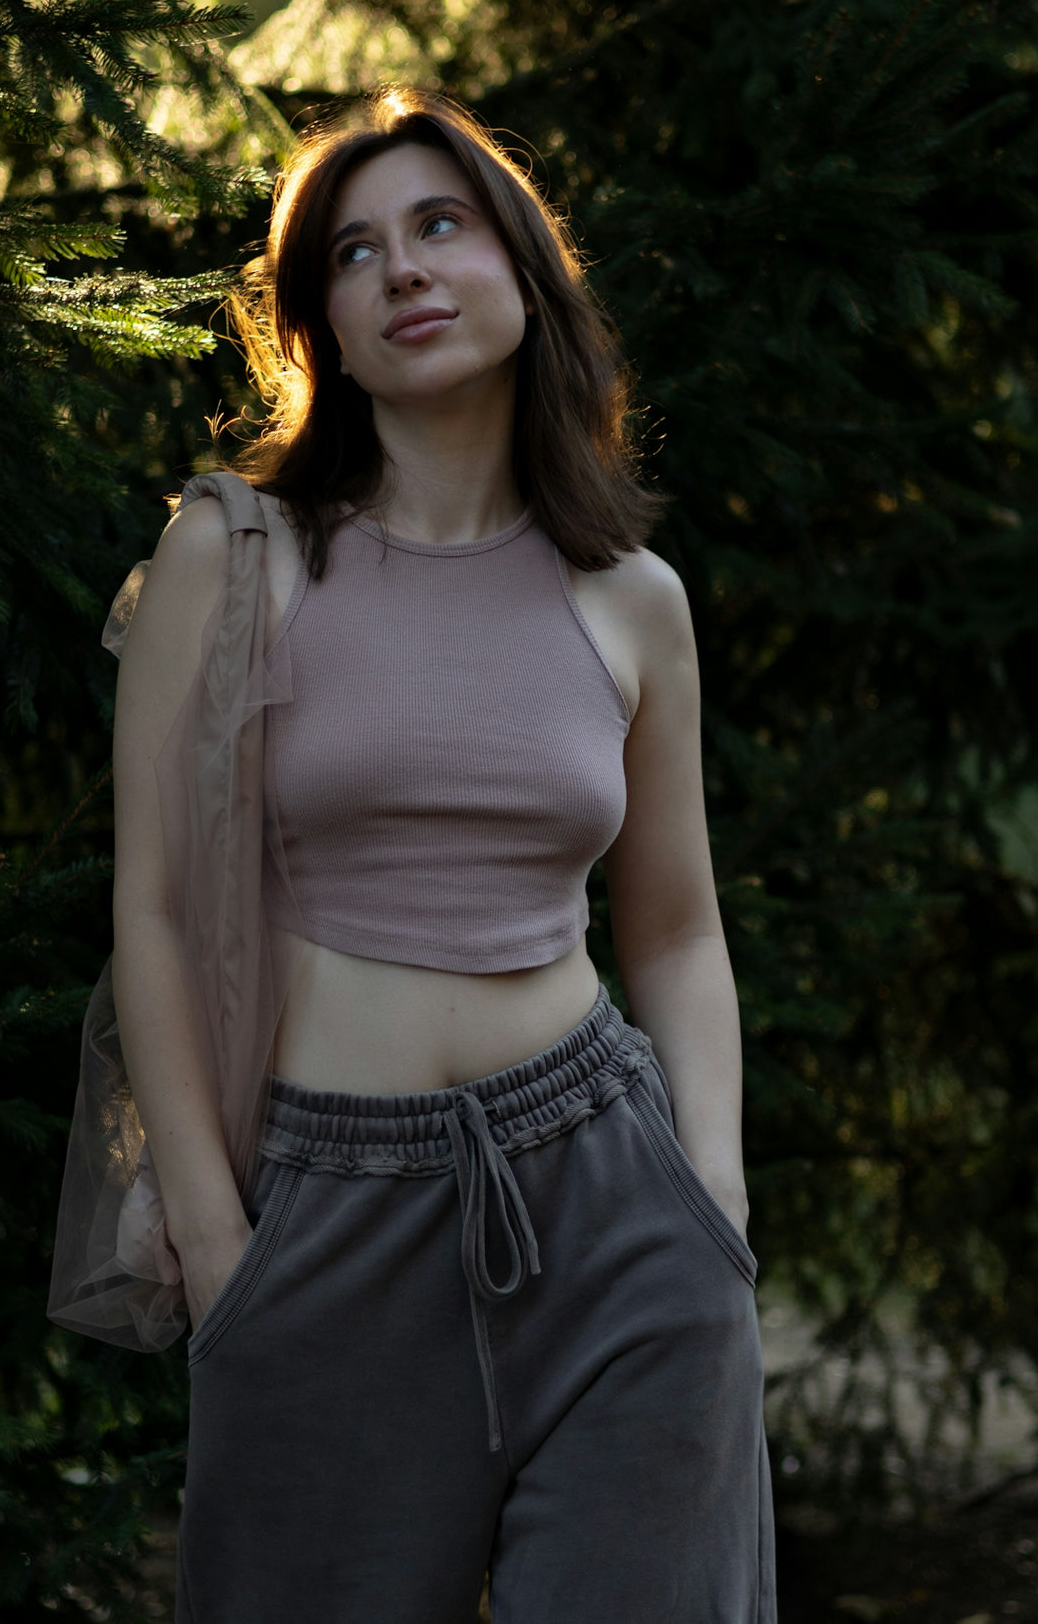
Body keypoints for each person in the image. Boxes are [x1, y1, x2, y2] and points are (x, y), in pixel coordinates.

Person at [49, 86, 776, 1623]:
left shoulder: (631, 598)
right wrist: (217, 1238)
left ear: (525, 264)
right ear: (323, 322)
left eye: (440, 223)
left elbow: (675, 928)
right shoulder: (234, 555)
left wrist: (710, 1192)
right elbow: (155, 913)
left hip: (614, 1206)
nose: (404, 269)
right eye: (355, 252)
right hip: (325, 1216)